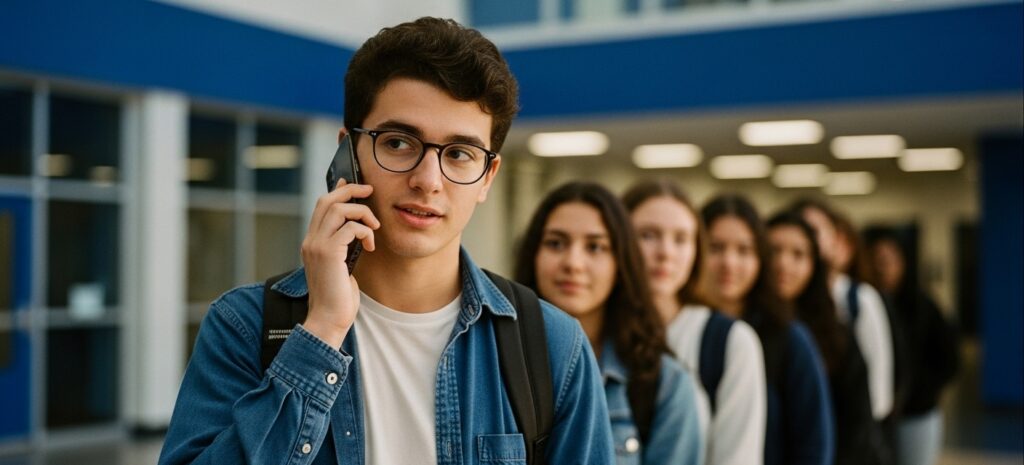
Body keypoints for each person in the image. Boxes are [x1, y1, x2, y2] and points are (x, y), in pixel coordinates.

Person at [159, 18, 614, 465]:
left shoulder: (551, 346)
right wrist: (321, 332)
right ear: (348, 152)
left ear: (487, 177)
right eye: (398, 143)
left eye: (459, 153)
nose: (428, 180)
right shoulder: (245, 326)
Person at [515, 181, 704, 465]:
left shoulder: (663, 385)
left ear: (621, 263)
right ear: (534, 255)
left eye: (595, 247)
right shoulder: (492, 360)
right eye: (556, 243)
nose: (573, 263)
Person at [622, 179, 766, 465]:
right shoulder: (592, 333)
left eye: (681, 239)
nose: (665, 252)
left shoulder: (729, 341)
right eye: (647, 235)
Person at [702, 194, 834, 465]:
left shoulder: (790, 339)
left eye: (744, 250)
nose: (729, 262)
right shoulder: (678, 328)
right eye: (715, 248)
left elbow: (813, 446)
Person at [767, 212, 884, 465]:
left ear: (814, 265)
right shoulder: (744, 328)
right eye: (774, 251)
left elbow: (858, 422)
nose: (783, 264)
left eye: (798, 254)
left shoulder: (836, 334)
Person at [793, 199, 895, 424]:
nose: (808, 238)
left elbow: (878, 388)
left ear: (835, 239)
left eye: (815, 231)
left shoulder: (858, 299)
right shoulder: (782, 302)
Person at [865, 229, 959, 465]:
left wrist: (917, 392)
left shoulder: (923, 306)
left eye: (889, 260)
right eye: (876, 260)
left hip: (915, 413)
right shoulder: (864, 305)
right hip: (873, 416)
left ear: (903, 263)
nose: (882, 268)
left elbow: (949, 360)